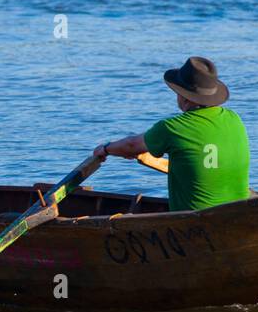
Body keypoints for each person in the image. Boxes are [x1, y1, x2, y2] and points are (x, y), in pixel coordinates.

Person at [93, 56, 249, 211]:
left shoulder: (172, 128)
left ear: (184, 97)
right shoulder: (234, 118)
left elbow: (131, 145)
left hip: (194, 220)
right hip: (239, 212)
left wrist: (106, 149)